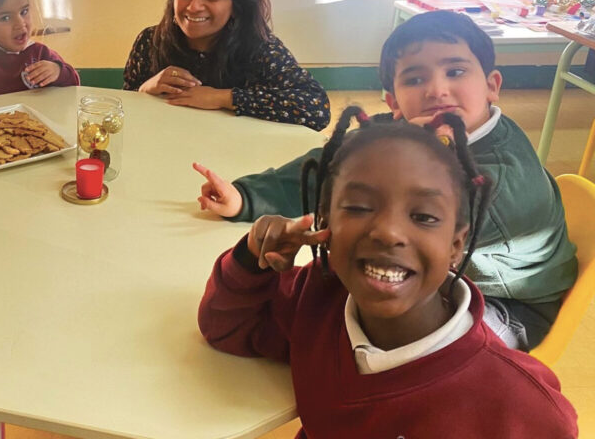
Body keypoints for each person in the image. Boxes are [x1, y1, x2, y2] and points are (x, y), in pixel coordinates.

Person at [194, 10, 577, 350]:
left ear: (492, 85)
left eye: (456, 71)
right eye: (414, 78)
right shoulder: (413, 130)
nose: (437, 89)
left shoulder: (499, 183)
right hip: (443, 275)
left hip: (509, 307)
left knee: (364, 326)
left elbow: (400, 236)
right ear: (393, 103)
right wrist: (246, 197)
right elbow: (337, 161)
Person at [198, 107, 578, 438]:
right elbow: (229, 328)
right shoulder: (317, 296)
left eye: (424, 216)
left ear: (456, 246)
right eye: (360, 207)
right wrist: (251, 259)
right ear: (324, 222)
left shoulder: (519, 406)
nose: (389, 232)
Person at [123, 0, 330, 130]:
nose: (194, 7)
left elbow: (316, 108)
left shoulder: (260, 48)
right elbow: (124, 110)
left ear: (236, 5)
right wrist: (145, 89)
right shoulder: (150, 41)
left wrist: (224, 98)